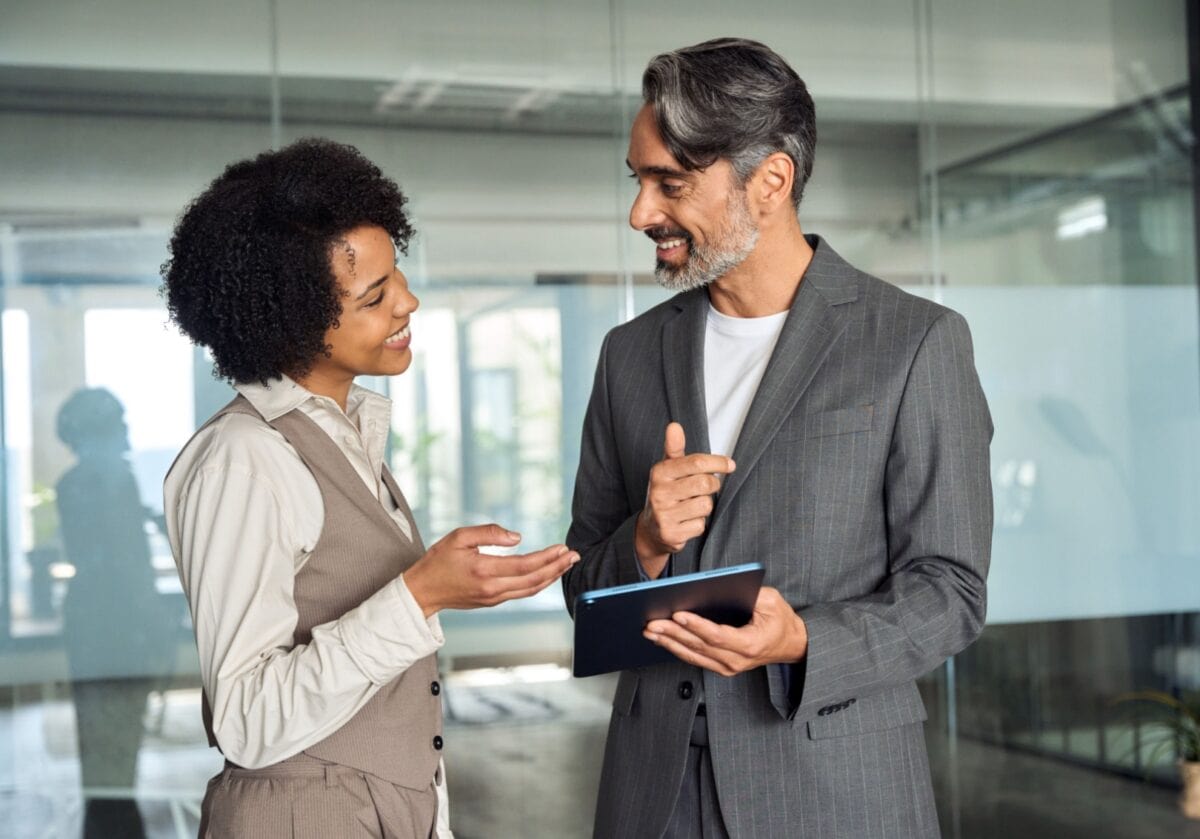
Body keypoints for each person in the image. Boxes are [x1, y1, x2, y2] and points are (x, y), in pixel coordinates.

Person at [563, 38, 993, 839]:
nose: (640, 212)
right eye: (639, 181)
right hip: (651, 797)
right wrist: (647, 542)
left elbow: (952, 592)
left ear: (770, 182)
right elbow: (583, 593)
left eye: (671, 182)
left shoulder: (914, 343)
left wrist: (801, 638)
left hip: (834, 791)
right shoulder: (628, 355)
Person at [161, 138, 579, 838]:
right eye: (375, 295)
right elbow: (245, 719)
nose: (408, 302)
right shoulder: (243, 459)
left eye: (399, 278)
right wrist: (421, 594)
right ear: (291, 317)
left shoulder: (347, 433)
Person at [56, 387, 176, 838]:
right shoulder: (109, 482)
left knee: (108, 748)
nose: (127, 435)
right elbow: (127, 565)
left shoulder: (82, 484)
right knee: (115, 748)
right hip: (115, 624)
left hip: (96, 622)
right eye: (119, 425)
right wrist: (154, 624)